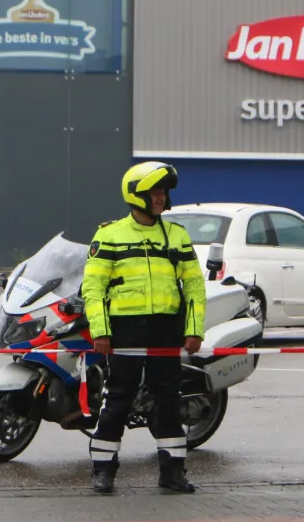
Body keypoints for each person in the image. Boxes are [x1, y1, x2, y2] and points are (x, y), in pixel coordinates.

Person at [81, 161, 206, 494]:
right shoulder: (109, 235)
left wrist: (194, 330)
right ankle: (103, 471)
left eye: (163, 192)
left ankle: (173, 472)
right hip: (125, 331)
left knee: (168, 399)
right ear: (135, 195)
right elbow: (93, 290)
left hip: (166, 330)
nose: (161, 197)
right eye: (154, 192)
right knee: (117, 398)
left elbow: (194, 287)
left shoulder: (177, 236)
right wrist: (101, 332)